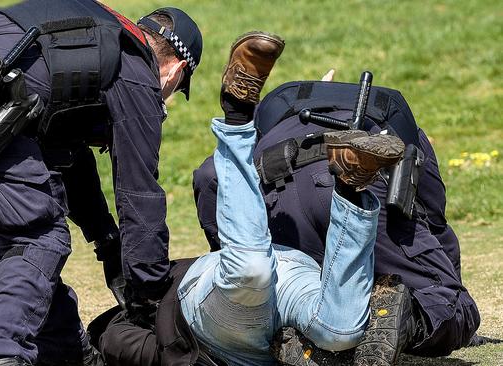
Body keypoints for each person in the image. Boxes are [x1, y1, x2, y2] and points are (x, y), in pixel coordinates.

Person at [0, 1, 202, 365]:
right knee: (38, 234)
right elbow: (139, 193)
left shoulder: (92, 41)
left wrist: (107, 242)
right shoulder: (135, 73)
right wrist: (149, 295)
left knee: (24, 218)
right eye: (176, 91)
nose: (169, 98)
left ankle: (64, 349)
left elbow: (68, 157)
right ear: (176, 72)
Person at [88, 32, 413, 366]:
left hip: (222, 299)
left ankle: (238, 114)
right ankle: (349, 188)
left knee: (249, 272)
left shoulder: (124, 334)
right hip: (291, 280)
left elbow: (120, 341)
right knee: (340, 331)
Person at [192, 75, 481, 361]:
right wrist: (446, 289)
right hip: (360, 182)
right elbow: (434, 219)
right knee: (451, 305)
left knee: (291, 288)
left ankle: (300, 333)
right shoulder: (397, 120)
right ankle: (399, 320)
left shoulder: (273, 116)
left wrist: (229, 263)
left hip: (272, 193)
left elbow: (210, 178)